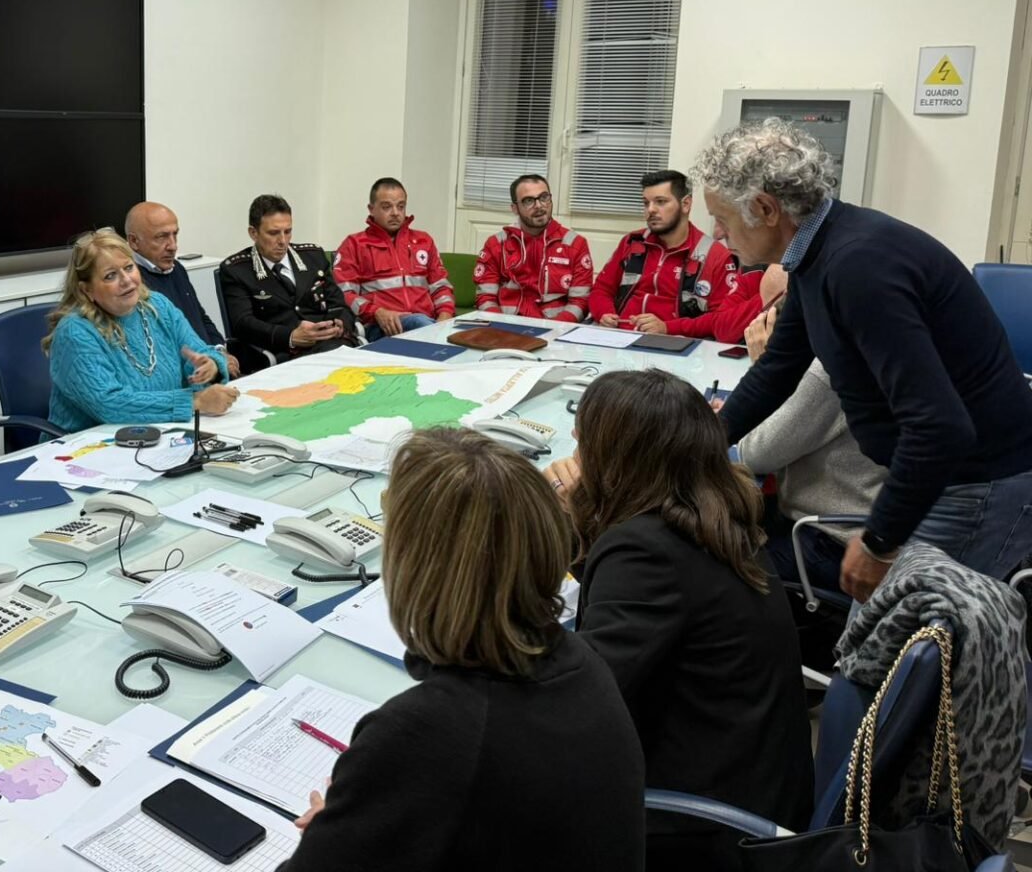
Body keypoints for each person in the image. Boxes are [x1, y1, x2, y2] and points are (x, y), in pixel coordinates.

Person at [694, 118, 1032, 601]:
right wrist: (701, 442)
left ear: (766, 209)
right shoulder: (819, 250)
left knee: (895, 652)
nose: (718, 234)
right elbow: (777, 369)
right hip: (949, 475)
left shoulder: (857, 266)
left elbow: (940, 427)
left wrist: (877, 542)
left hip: (978, 483)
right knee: (880, 645)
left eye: (722, 220)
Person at [279, 428, 645, 871]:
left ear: (414, 569)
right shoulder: (578, 660)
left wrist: (337, 831)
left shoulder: (424, 732)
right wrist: (361, 826)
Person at [552, 369, 812, 871]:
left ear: (617, 460)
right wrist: (580, 520)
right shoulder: (713, 510)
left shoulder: (644, 551)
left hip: (705, 829)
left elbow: (577, 703)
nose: (575, 452)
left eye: (584, 442)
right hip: (760, 789)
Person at [730, 264, 885, 596]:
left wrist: (766, 367)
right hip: (856, 525)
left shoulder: (826, 365)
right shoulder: (863, 340)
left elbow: (755, 455)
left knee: (714, 566)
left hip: (831, 541)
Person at [45, 229, 237, 431]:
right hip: (86, 447)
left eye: (129, 268)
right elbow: (110, 404)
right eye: (110, 276)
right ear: (87, 290)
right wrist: (194, 402)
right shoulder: (75, 331)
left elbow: (199, 352)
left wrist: (210, 367)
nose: (127, 280)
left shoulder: (158, 305)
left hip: (159, 434)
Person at [587, 169, 739, 336]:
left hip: (676, 344)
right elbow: (601, 290)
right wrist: (604, 313)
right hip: (618, 337)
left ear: (686, 204)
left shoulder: (715, 255)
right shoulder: (632, 242)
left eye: (660, 201)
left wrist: (668, 328)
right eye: (646, 203)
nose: (650, 210)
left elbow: (721, 319)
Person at [218, 195, 357, 373]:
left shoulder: (312, 256)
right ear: (253, 233)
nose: (283, 241)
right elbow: (243, 323)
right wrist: (290, 337)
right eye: (274, 233)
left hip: (333, 345)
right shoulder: (237, 270)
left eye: (288, 231)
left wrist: (340, 325)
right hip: (285, 355)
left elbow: (338, 304)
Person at [125, 202, 239, 377]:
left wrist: (220, 350)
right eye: (161, 237)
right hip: (185, 376)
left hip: (210, 367)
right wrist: (210, 362)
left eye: (175, 235)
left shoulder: (177, 269)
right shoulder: (130, 284)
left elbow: (200, 318)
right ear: (134, 241)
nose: (173, 246)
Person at [333, 177, 455, 339]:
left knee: (461, 331)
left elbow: (440, 287)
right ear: (371, 209)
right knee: (421, 324)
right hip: (380, 326)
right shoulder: (354, 244)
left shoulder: (423, 241)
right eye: (386, 207)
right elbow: (343, 294)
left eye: (401, 206)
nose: (396, 213)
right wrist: (376, 312)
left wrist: (445, 317)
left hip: (426, 322)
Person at [473, 174, 593, 322]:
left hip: (556, 329)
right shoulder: (496, 245)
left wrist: (556, 329)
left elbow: (580, 301)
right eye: (529, 201)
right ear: (515, 208)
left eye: (544, 197)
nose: (539, 205)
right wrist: (499, 325)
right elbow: (485, 297)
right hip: (506, 327)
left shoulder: (575, 244)